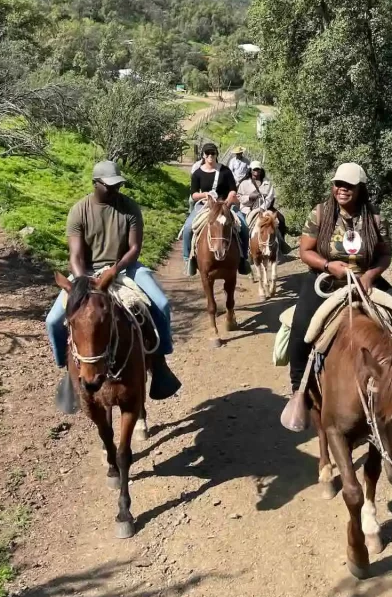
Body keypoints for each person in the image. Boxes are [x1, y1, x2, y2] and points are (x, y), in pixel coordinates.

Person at [281, 162, 392, 432]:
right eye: (338, 184)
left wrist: (370, 276)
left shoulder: (376, 219)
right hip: (326, 280)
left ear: (360, 189)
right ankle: (299, 391)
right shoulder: (320, 214)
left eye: (348, 185)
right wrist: (327, 265)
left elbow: (384, 254)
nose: (342, 189)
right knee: (301, 329)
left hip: (366, 280)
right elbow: (305, 251)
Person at [45, 160, 181, 415]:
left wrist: (114, 270)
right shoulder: (79, 210)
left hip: (125, 267)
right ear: (96, 184)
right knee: (53, 321)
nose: (115, 189)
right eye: (110, 186)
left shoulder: (129, 208)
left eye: (118, 185)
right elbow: (75, 255)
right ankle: (66, 369)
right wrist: (84, 280)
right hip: (86, 272)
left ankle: (160, 362)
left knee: (161, 304)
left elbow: (134, 248)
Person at [182, 143, 250, 274]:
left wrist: (228, 201)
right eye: (207, 153)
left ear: (216, 155)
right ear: (203, 155)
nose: (210, 156)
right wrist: (204, 195)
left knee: (244, 227)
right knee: (187, 227)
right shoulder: (197, 173)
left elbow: (232, 190)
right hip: (205, 206)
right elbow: (194, 194)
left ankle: (243, 259)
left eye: (213, 153)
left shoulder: (225, 171)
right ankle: (188, 259)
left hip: (224, 205)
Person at [238, 161, 291, 253]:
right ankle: (245, 249)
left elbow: (270, 197)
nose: (256, 171)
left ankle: (281, 244)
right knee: (243, 226)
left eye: (258, 169)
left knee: (280, 220)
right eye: (254, 169)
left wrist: (263, 207)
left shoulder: (267, 182)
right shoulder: (244, 183)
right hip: (248, 209)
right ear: (250, 170)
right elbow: (239, 197)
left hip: (265, 208)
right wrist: (250, 197)